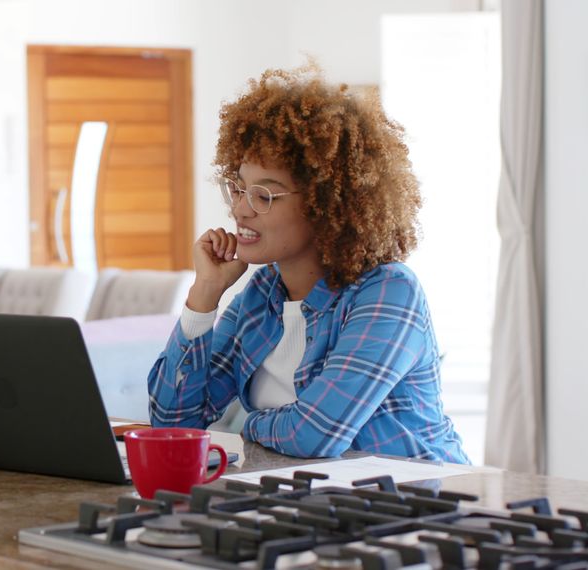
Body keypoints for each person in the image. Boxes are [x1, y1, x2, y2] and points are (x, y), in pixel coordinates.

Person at [147, 65, 469, 463]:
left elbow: (314, 436)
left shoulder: (389, 291)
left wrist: (249, 426)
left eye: (265, 195)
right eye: (240, 188)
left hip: (419, 505)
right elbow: (171, 423)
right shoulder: (262, 294)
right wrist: (204, 296)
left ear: (326, 206)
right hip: (314, 502)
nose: (241, 210)